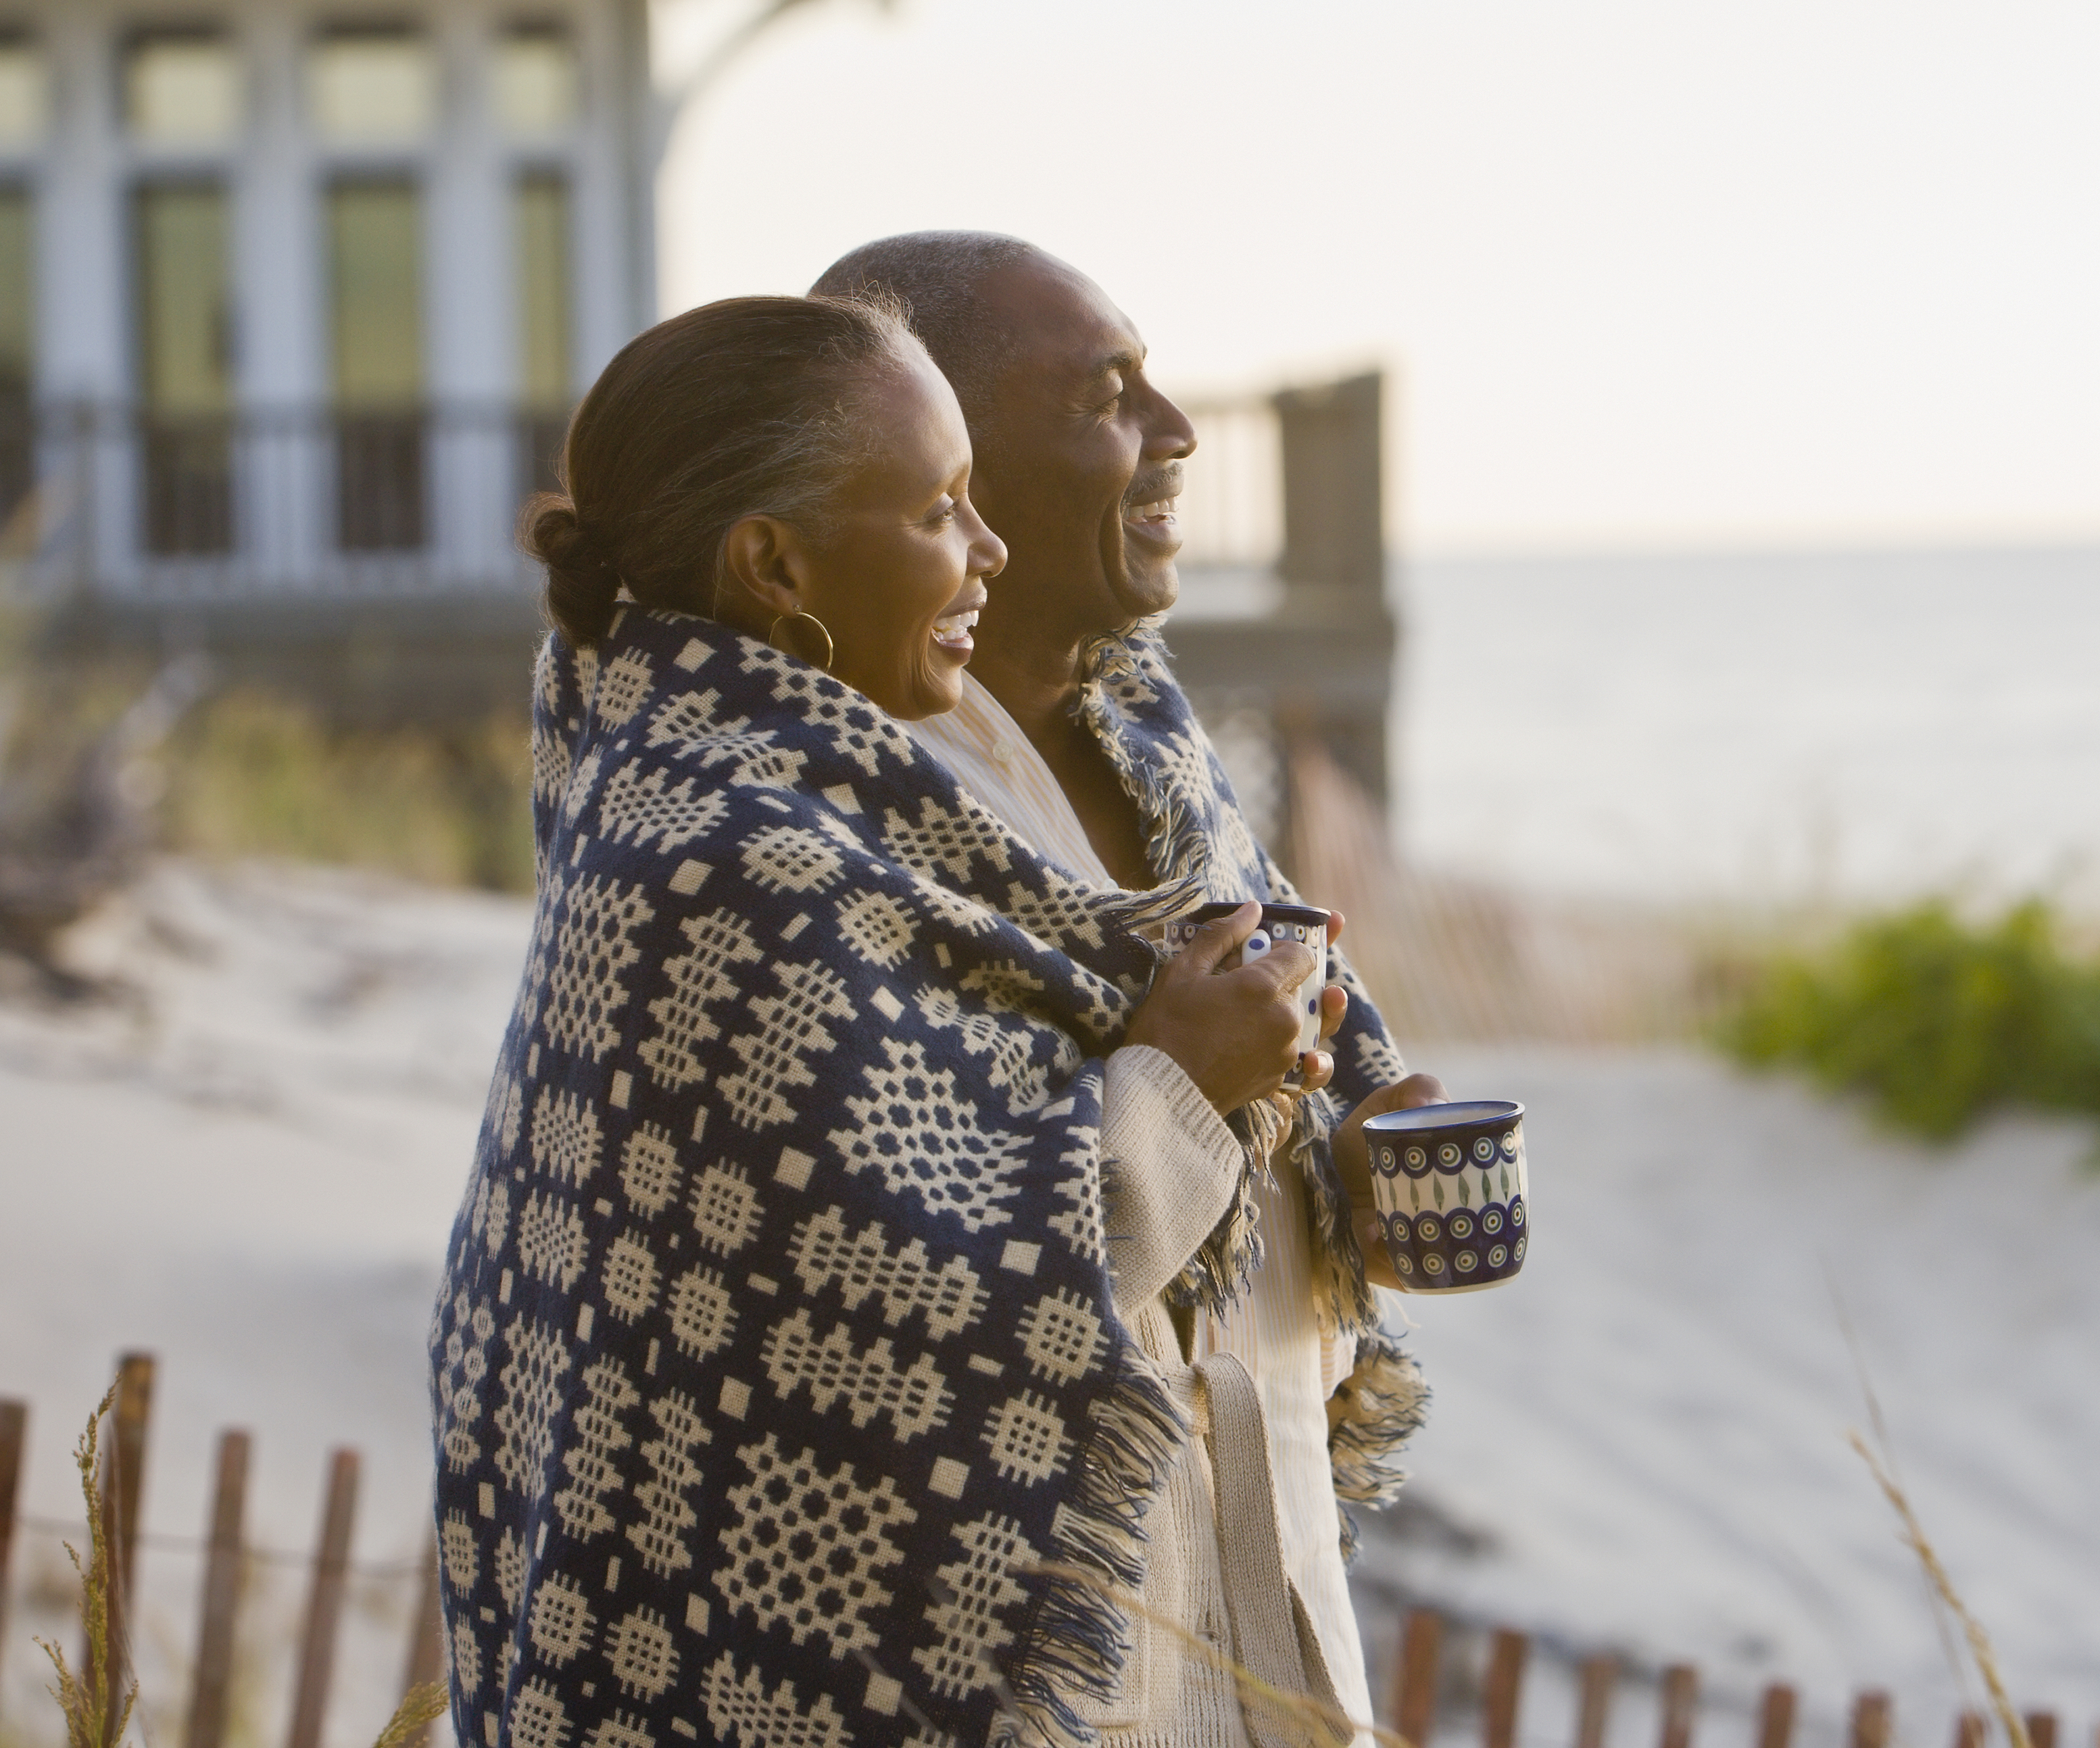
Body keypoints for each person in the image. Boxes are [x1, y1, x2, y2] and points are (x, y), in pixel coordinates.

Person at [429, 294, 1365, 1748]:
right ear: (774, 561)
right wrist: (1174, 1079)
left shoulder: (852, 799)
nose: (982, 547)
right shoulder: (716, 856)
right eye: (940, 508)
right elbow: (917, 1303)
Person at [811, 236, 1446, 1748]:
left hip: (1257, 1583)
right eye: (1107, 396)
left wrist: (1345, 1160)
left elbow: (1272, 1055)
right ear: (937, 449)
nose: (1174, 433)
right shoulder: (829, 812)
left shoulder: (1155, 732)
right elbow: (892, 1284)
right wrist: (1177, 1082)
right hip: (1026, 1649)